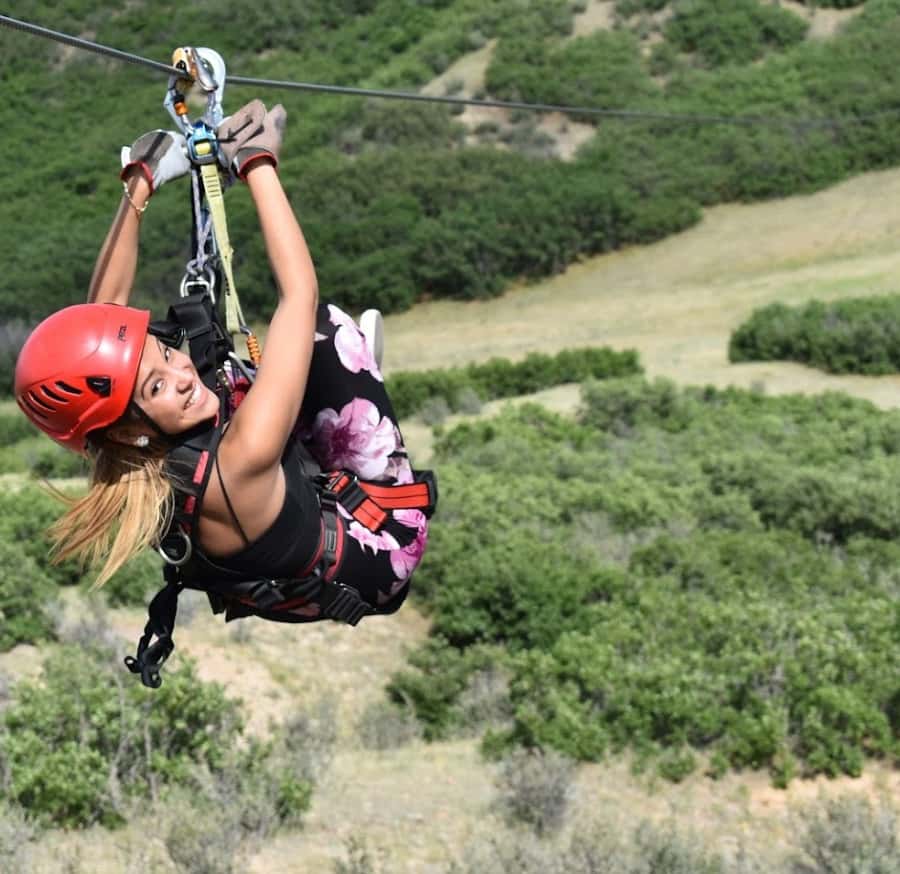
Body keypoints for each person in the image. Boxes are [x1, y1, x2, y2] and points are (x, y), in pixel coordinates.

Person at [14, 100, 435, 638]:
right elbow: (298, 294)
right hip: (378, 549)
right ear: (126, 426)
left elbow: (105, 312)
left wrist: (140, 181)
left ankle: (300, 403)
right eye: (157, 385)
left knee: (206, 366)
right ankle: (346, 409)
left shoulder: (116, 449)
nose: (181, 373)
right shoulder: (240, 460)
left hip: (283, 554)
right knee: (326, 333)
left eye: (164, 356)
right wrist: (258, 163)